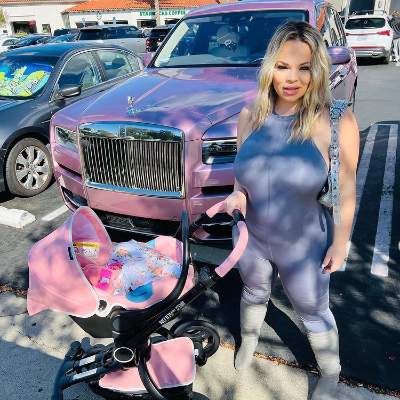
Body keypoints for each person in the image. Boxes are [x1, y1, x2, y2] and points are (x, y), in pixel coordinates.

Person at [225, 21, 359, 400]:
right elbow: (242, 175)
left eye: (304, 68)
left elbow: (346, 191)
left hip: (304, 243)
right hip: (251, 236)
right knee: (253, 291)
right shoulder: (249, 116)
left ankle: (330, 372)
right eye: (283, 66)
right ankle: (249, 340)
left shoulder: (335, 121)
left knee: (313, 310)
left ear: (318, 70)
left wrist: (341, 244)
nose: (292, 78)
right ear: (270, 67)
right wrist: (238, 196)